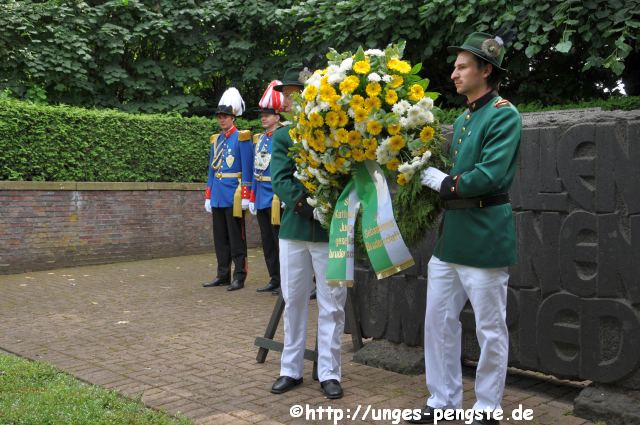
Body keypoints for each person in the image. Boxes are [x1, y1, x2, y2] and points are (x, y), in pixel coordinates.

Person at [408, 32, 522, 425]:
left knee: (490, 328)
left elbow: (490, 175)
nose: (454, 74)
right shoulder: (463, 118)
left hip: (486, 233)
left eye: (462, 67)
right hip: (453, 235)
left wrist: (445, 183)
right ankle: (443, 401)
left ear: (485, 69)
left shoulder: (504, 114)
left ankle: (487, 408)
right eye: (455, 67)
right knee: (438, 320)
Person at [269, 66, 347, 399]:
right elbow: (280, 180)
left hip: (332, 231)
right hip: (296, 228)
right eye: (287, 94)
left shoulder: (337, 132)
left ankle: (330, 372)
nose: (288, 99)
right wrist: (306, 206)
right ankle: (291, 369)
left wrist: (331, 207)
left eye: (294, 93)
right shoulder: (284, 136)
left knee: (332, 305)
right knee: (295, 300)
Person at [203, 87, 254, 292]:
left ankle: (239, 276)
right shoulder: (216, 140)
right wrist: (208, 194)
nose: (221, 120)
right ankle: (222, 274)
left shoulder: (241, 137)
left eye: (225, 117)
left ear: (233, 118)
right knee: (220, 238)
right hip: (217, 195)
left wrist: (246, 194)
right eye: (219, 117)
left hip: (234, 195)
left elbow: (248, 169)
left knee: (236, 239)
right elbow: (211, 170)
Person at [250, 80, 283, 294]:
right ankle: (274, 277)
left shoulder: (282, 136)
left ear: (277, 117)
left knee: (281, 242)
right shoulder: (260, 139)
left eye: (267, 115)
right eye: (262, 115)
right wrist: (251, 196)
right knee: (267, 242)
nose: (263, 118)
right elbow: (255, 169)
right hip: (261, 195)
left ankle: (285, 280)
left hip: (276, 197)